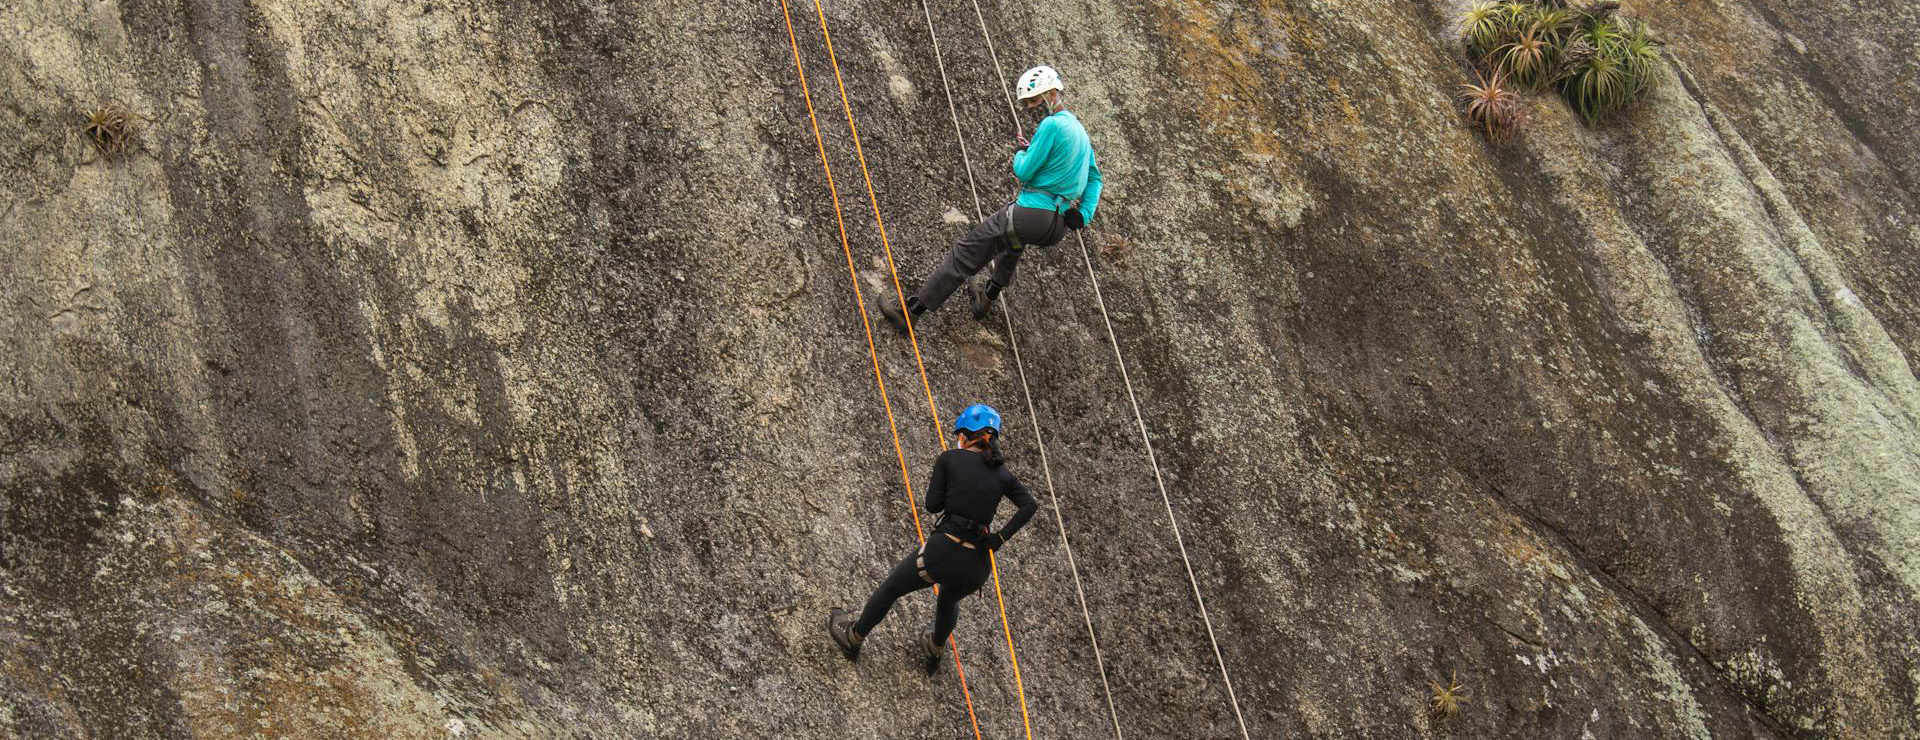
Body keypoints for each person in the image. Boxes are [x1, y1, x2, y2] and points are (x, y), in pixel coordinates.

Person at [879, 64, 1105, 330]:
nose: (1032, 107)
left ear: (1050, 94)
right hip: (1056, 224)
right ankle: (986, 297)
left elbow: (1024, 170)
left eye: (1034, 100)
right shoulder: (1081, 132)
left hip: (1032, 212)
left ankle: (911, 311)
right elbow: (1094, 178)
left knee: (965, 253)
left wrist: (1021, 153)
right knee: (1013, 243)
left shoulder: (1051, 125)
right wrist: (1085, 214)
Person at [827, 404, 1039, 674]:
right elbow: (1029, 505)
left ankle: (853, 636)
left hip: (945, 550)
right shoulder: (1003, 474)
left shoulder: (949, 459)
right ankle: (935, 647)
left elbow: (933, 505)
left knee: (893, 586)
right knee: (949, 600)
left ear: (965, 434)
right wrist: (999, 539)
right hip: (977, 566)